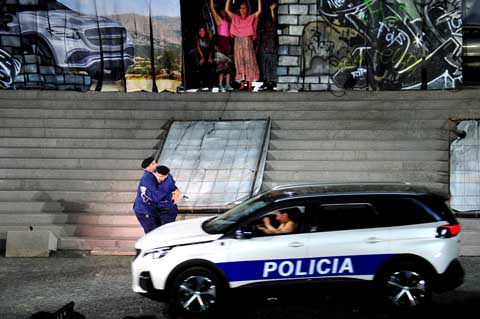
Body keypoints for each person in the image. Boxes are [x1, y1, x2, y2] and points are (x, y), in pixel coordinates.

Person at [225, 0, 262, 91]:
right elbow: (226, 9)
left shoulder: (250, 18)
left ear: (247, 9)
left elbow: (259, 11)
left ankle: (249, 84)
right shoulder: (235, 18)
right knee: (239, 62)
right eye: (241, 8)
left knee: (249, 62)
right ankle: (242, 84)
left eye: (244, 8)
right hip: (238, 43)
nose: (242, 10)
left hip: (247, 43)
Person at [133, 156, 163, 234]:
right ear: (147, 167)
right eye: (153, 164)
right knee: (152, 233)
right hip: (145, 210)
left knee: (156, 231)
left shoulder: (150, 176)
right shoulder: (147, 178)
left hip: (147, 210)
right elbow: (154, 195)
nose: (156, 165)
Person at [210, 0, 234, 92]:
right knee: (221, 66)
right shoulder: (219, 20)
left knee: (229, 66)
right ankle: (220, 84)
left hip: (229, 43)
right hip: (222, 42)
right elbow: (212, 9)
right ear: (221, 12)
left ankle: (227, 84)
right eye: (223, 10)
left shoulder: (229, 21)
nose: (225, 11)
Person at [257, 2, 278, 91]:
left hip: (272, 51)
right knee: (264, 67)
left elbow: (274, 20)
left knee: (272, 66)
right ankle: (266, 81)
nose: (267, 24)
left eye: (268, 23)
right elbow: (258, 42)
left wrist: (272, 10)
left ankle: (272, 82)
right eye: (266, 23)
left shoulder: (273, 30)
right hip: (264, 52)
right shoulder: (262, 32)